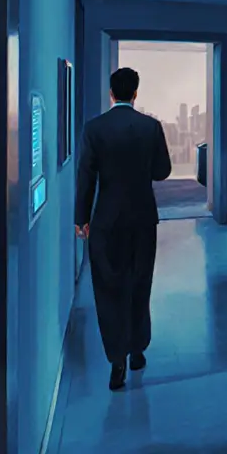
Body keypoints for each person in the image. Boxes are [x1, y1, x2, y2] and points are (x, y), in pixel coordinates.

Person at [75, 67, 172, 391]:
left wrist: (81, 219)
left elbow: (86, 178)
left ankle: (117, 360)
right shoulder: (151, 127)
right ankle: (137, 350)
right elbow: (162, 172)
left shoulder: (95, 129)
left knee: (109, 289)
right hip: (143, 220)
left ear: (111, 94)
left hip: (107, 221)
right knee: (140, 284)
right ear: (136, 93)